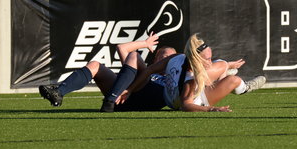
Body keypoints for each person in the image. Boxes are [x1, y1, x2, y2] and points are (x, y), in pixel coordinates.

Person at [106, 33, 265, 113]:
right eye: (207, 59)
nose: (209, 62)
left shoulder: (176, 58)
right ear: (196, 58)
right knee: (233, 79)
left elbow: (149, 70)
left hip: (173, 94)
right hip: (197, 100)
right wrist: (211, 109)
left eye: (210, 58)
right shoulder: (190, 79)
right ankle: (244, 87)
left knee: (221, 65)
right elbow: (186, 105)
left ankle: (224, 70)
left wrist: (130, 89)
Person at [38, 32, 172, 107]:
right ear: (155, 59)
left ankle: (110, 101)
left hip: (148, 97)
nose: (167, 61)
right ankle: (58, 92)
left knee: (134, 56)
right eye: (164, 57)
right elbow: (122, 48)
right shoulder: (143, 69)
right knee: (95, 65)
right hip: (123, 99)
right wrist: (145, 43)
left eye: (171, 58)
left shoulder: (175, 77)